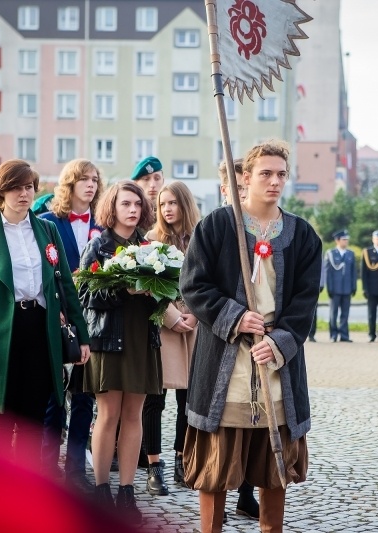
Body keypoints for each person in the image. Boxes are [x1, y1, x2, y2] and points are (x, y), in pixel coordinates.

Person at [180, 140, 321, 533]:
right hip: (225, 362)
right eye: (266, 174)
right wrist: (236, 317)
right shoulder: (217, 225)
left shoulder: (303, 236)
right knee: (216, 468)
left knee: (274, 470)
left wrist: (279, 342)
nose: (274, 182)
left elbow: (306, 301)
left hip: (276, 365)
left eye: (281, 175)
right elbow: (193, 284)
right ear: (246, 177)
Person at [0, 159, 91, 471]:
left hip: (40, 329)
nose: (24, 193)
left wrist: (81, 335)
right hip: (0, 333)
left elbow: (66, 286)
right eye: (16, 187)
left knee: (34, 421)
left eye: (29, 186)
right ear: (0, 193)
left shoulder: (47, 229)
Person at [78, 181, 161, 522]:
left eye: (137, 204)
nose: (133, 209)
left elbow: (164, 294)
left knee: (134, 416)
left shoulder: (150, 247)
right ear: (112, 207)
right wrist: (124, 290)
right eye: (126, 203)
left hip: (142, 338)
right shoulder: (98, 245)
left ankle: (127, 492)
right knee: (108, 415)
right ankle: (101, 491)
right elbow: (85, 297)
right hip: (108, 340)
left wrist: (160, 290)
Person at [40, 158, 103, 491]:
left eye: (94, 179)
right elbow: (39, 272)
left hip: (93, 320)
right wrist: (57, 309)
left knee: (84, 397)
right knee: (54, 395)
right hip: (57, 317)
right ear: (69, 184)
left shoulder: (104, 225)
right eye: (83, 179)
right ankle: (47, 465)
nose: (90, 185)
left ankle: (77, 469)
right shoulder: (47, 222)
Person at [141, 182, 200, 498]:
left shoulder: (201, 238)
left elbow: (212, 282)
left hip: (195, 326)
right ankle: (154, 466)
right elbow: (147, 287)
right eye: (162, 204)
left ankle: (182, 458)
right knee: (155, 397)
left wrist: (195, 315)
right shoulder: (151, 240)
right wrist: (172, 317)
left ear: (185, 204)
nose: (167, 209)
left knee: (188, 400)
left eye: (173, 203)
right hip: (164, 326)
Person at [216, 157, 261, 520]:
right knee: (221, 420)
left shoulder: (265, 229)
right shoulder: (216, 228)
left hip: (260, 336)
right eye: (237, 189)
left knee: (254, 413)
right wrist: (233, 316)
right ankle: (218, 493)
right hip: (224, 337)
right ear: (225, 189)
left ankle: (246, 491)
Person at [324, 230, 356, 342]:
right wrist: (329, 288)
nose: (346, 241)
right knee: (333, 313)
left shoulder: (350, 254)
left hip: (347, 288)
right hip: (335, 289)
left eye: (347, 239)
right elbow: (327, 273)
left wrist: (354, 286)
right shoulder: (331, 254)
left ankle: (344, 335)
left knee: (345, 313)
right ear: (337, 240)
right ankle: (333, 335)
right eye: (344, 239)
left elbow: (353, 272)